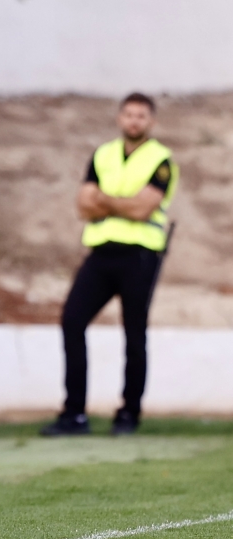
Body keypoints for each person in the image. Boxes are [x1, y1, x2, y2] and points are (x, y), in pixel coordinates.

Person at [41, 93, 179, 437]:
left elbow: (142, 209)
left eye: (141, 116)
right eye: (129, 114)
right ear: (120, 118)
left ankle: (128, 413)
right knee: (72, 321)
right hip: (101, 253)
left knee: (134, 334)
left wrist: (104, 200)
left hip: (140, 255)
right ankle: (74, 414)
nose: (134, 121)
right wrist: (119, 203)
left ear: (151, 122)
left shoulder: (160, 159)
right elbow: (83, 206)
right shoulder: (102, 154)